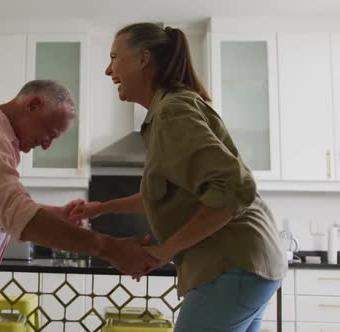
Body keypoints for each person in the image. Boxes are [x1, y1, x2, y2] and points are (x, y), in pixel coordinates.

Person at [69, 23, 287, 332]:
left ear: (143, 59)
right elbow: (164, 193)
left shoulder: (173, 112)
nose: (108, 70)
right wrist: (100, 208)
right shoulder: (169, 111)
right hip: (248, 263)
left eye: (115, 57)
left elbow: (235, 187)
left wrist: (164, 249)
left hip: (232, 263)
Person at [0, 79, 157, 332]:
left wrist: (57, 214)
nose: (45, 145)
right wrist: (110, 248)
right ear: (33, 104)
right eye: (50, 134)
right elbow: (16, 212)